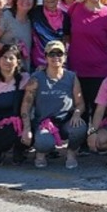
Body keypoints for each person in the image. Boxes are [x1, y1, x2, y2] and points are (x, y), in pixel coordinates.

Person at [65, 0, 107, 126]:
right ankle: (81, 142)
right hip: (77, 71)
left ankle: (97, 142)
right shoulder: (75, 9)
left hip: (101, 72)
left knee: (100, 111)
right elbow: (67, 35)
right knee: (80, 110)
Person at [21, 40, 87, 169]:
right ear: (45, 57)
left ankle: (71, 153)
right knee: (44, 142)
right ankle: (40, 153)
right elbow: (26, 104)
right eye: (51, 54)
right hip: (44, 123)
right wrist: (26, 128)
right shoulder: (36, 78)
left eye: (59, 53)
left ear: (65, 57)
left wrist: (77, 114)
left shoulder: (71, 77)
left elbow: (80, 103)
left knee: (80, 127)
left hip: (65, 121)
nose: (56, 57)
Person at [30, 0, 67, 69]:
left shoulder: (66, 17)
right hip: (38, 67)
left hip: (58, 66)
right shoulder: (34, 12)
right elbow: (17, 9)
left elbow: (68, 42)